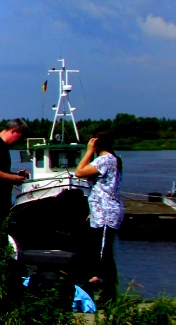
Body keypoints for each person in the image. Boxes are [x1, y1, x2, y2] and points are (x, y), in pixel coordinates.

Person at [75, 130, 124, 306]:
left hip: (106, 213)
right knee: (97, 252)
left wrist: (88, 151)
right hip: (100, 212)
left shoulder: (105, 160)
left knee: (104, 254)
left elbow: (79, 172)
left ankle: (109, 295)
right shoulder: (113, 159)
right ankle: (103, 291)